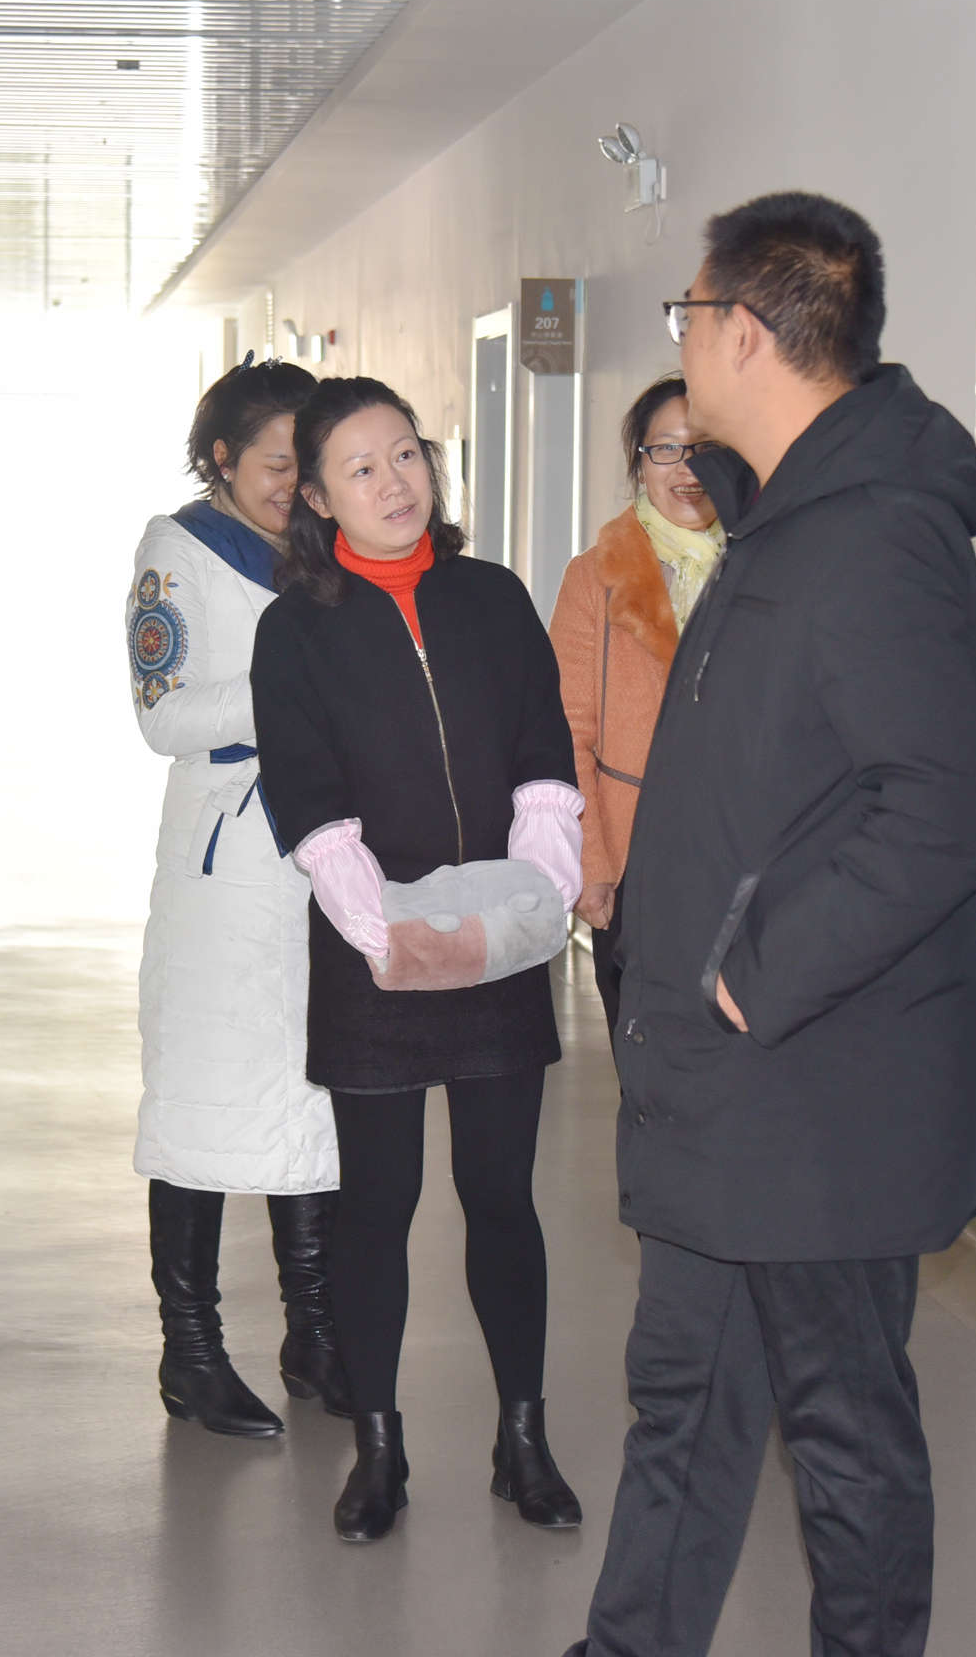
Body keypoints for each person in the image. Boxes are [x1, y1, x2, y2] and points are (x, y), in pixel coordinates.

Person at [571, 193, 976, 1657]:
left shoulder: (873, 536)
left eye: (689, 315)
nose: (683, 341)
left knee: (841, 1431)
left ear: (746, 332)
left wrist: (755, 978)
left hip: (817, 1089)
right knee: (684, 1402)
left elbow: (940, 806)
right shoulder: (784, 519)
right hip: (729, 1089)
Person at [249, 376, 588, 1545]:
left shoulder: (490, 597)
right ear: (317, 498)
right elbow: (308, 801)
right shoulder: (295, 628)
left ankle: (521, 1438)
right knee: (375, 1206)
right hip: (374, 955)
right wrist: (387, 934)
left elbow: (542, 758)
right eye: (360, 468)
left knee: (501, 1198)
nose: (393, 482)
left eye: (405, 454)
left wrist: (523, 908)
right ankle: (378, 1447)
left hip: (496, 948)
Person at [127, 359, 350, 1437]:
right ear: (220, 459)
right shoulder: (178, 552)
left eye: (306, 463)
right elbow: (163, 715)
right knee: (205, 1104)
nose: (293, 483)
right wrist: (293, 693)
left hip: (324, 859)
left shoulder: (323, 547)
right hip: (226, 867)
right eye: (275, 462)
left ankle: (315, 1331)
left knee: (314, 1096)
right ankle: (191, 1350)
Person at [548, 375, 719, 1030]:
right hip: (635, 861)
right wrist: (591, 862)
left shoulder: (766, 565)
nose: (687, 468)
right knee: (647, 1055)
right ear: (639, 464)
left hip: (744, 862)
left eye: (706, 447)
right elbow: (567, 728)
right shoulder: (594, 576)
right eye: (666, 449)